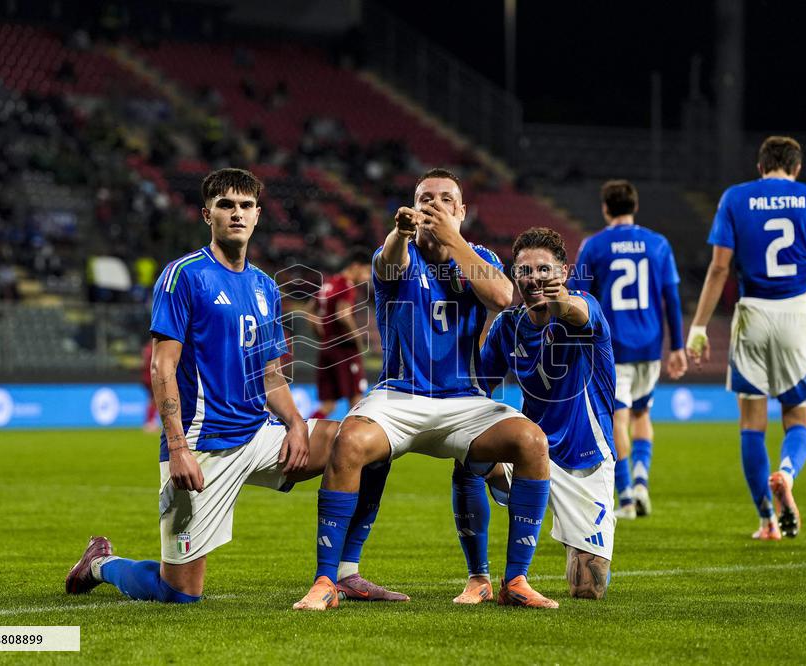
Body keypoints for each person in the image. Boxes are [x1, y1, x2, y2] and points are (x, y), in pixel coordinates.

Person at [65, 168, 401, 603]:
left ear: (258, 215)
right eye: (226, 205)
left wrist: (296, 424)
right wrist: (178, 448)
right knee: (179, 593)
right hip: (203, 446)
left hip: (259, 437)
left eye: (246, 205)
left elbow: (270, 374)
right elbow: (163, 367)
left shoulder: (264, 286)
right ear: (208, 214)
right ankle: (100, 563)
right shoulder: (184, 275)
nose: (237, 213)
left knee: (363, 442)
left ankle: (343, 573)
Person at [294, 168, 556, 611]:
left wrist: (453, 239)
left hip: (464, 402)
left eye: (446, 199)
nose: (435, 204)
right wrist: (400, 233)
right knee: (350, 440)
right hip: (400, 396)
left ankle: (515, 581)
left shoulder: (477, 255)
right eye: (425, 198)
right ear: (412, 210)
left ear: (461, 211)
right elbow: (388, 262)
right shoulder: (397, 252)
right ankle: (326, 580)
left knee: (532, 442)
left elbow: (502, 297)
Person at [686, 136, 806, 540]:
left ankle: (766, 521)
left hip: (752, 314)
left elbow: (719, 269)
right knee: (798, 418)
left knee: (751, 424)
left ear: (760, 167)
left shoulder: (735, 197)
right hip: (797, 313)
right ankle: (787, 474)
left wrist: (699, 326)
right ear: (797, 168)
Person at [452, 227, 617, 603]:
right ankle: (479, 578)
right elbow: (478, 390)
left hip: (585, 460)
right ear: (515, 276)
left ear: (564, 273)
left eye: (544, 270)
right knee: (468, 453)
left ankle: (573, 535)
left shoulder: (585, 308)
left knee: (588, 588)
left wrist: (561, 301)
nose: (534, 278)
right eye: (525, 271)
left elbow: (577, 313)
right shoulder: (508, 326)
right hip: (531, 454)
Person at [573, 180, 686, 519]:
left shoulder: (594, 246)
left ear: (606, 208)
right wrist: (677, 346)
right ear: (634, 206)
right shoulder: (658, 244)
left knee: (617, 419)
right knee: (642, 414)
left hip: (614, 347)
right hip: (650, 346)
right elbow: (671, 298)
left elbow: (577, 296)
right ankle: (640, 483)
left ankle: (626, 499)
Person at [309, 248, 372, 419]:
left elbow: (310, 312)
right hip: (344, 349)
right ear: (356, 266)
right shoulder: (347, 285)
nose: (367, 277)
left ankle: (307, 432)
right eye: (367, 271)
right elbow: (343, 315)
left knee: (328, 405)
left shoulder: (328, 284)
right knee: (356, 399)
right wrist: (358, 339)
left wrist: (322, 334)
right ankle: (355, 436)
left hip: (326, 348)